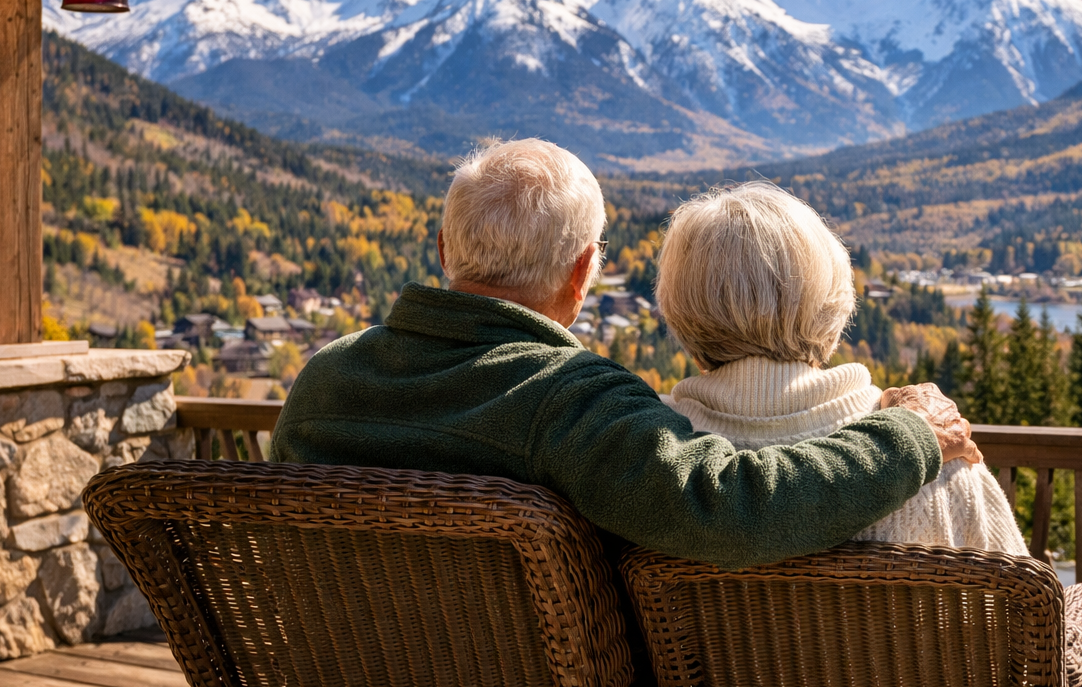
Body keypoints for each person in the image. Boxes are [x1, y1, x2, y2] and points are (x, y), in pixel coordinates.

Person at [270, 138, 980, 570]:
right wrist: (909, 435)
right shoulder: (570, 399)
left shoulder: (323, 381)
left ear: (444, 251)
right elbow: (732, 511)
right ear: (583, 274)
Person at [656, 181, 1029, 555]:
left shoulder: (652, 468)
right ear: (832, 307)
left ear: (679, 314)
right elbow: (1028, 607)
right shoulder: (941, 453)